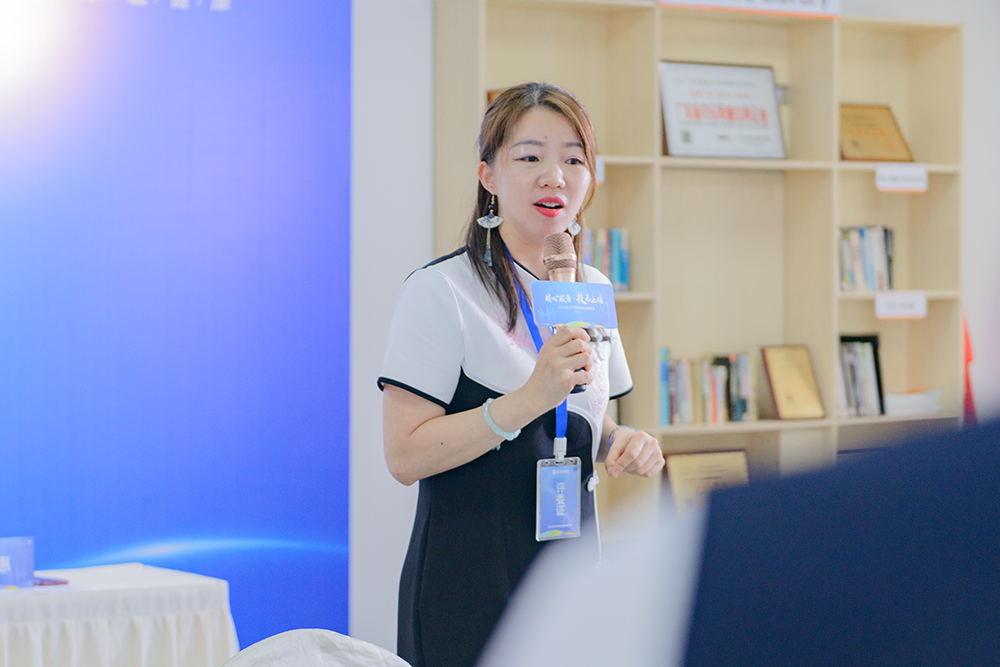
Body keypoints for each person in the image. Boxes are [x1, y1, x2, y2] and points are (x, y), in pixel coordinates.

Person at [378, 82, 665, 667]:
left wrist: (621, 440)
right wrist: (529, 397)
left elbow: (587, 415)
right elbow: (404, 456)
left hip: (570, 582)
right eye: (530, 157)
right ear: (488, 175)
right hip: (468, 590)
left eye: (573, 160)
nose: (554, 177)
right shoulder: (440, 291)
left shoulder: (592, 286)